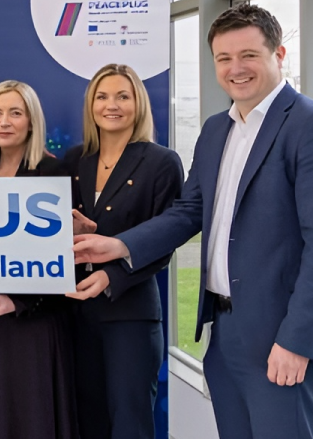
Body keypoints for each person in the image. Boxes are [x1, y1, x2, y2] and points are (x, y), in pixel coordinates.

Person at [73, 4, 313, 439]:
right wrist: (120, 245)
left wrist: (296, 341)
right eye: (224, 58)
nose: (235, 68)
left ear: (279, 54)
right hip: (225, 335)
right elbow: (188, 211)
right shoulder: (215, 130)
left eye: (248, 55)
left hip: (281, 335)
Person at [63, 64, 184, 439]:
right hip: (75, 315)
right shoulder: (74, 160)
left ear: (138, 104)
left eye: (122, 96)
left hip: (130, 316)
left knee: (130, 423)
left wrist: (111, 276)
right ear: (91, 105)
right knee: (86, 422)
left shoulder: (162, 162)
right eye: (102, 96)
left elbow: (163, 241)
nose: (111, 105)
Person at [0, 80, 81, 439]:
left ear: (31, 121)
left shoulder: (53, 173)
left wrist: (18, 303)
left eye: (15, 113)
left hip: (32, 322)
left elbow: (65, 262)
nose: (4, 122)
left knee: (29, 419)